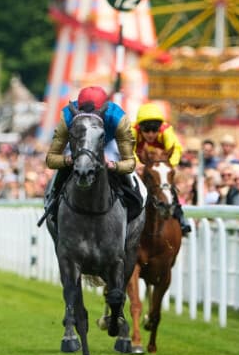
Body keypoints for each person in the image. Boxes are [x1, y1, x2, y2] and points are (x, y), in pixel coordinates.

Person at [44, 85, 141, 241]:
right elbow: (51, 159)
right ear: (78, 108)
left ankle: (134, 209)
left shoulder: (118, 118)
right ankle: (52, 203)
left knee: (128, 176)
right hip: (78, 143)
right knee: (62, 171)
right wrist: (68, 160)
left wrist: (112, 165)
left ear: (104, 109)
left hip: (107, 144)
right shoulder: (68, 115)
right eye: (84, 114)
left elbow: (130, 163)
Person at [132, 102, 192, 234]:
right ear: (139, 127)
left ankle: (181, 219)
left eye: (154, 129)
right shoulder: (133, 130)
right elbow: (128, 150)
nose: (151, 134)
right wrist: (137, 164)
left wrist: (168, 165)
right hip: (139, 166)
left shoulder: (166, 130)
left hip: (160, 167)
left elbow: (176, 149)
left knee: (169, 188)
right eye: (146, 130)